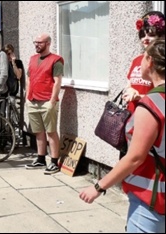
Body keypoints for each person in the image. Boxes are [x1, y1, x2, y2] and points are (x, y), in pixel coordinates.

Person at [80, 39, 165, 233]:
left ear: (150, 61)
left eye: (142, 57)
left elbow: (135, 157)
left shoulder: (151, 105)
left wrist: (98, 187)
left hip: (152, 198)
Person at [121, 11, 165, 158]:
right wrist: (129, 90)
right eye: (143, 34)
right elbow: (128, 85)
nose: (145, 39)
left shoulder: (161, 64)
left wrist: (139, 96)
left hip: (151, 125)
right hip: (132, 121)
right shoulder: (137, 60)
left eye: (151, 34)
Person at [24, 33, 63, 175]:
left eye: (39, 42)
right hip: (33, 100)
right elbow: (29, 79)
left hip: (47, 101)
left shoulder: (56, 60)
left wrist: (52, 100)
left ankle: (54, 162)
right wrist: (27, 97)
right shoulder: (32, 59)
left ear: (47, 43)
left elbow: (57, 81)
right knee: (38, 132)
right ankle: (40, 158)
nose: (36, 45)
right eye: (35, 42)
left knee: (51, 132)